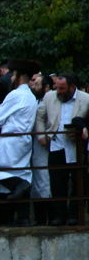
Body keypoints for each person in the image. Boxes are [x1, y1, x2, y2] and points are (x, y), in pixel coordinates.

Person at [0, 59, 41, 226]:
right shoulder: (30, 96)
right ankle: (22, 218)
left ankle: (19, 185)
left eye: (13, 75)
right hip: (24, 140)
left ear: (19, 76)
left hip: (11, 140)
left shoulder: (16, 95)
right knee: (20, 171)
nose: (12, 78)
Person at [34, 74, 89, 224]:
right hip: (56, 143)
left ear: (72, 87)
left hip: (75, 145)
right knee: (57, 182)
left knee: (78, 181)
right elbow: (40, 116)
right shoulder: (49, 97)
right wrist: (41, 135)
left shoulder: (85, 99)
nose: (58, 91)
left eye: (62, 88)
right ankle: (59, 216)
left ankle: (74, 215)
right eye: (57, 87)